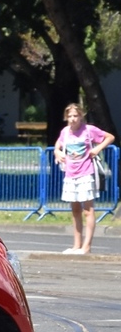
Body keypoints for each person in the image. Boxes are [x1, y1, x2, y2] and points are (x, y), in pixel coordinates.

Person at [53, 103, 115, 254]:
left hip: (86, 173)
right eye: (70, 116)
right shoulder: (65, 132)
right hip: (70, 174)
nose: (73, 119)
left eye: (76, 116)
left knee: (88, 209)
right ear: (66, 117)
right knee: (75, 210)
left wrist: (97, 148)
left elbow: (109, 137)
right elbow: (58, 144)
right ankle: (76, 244)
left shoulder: (88, 130)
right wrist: (57, 152)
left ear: (81, 116)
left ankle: (86, 246)